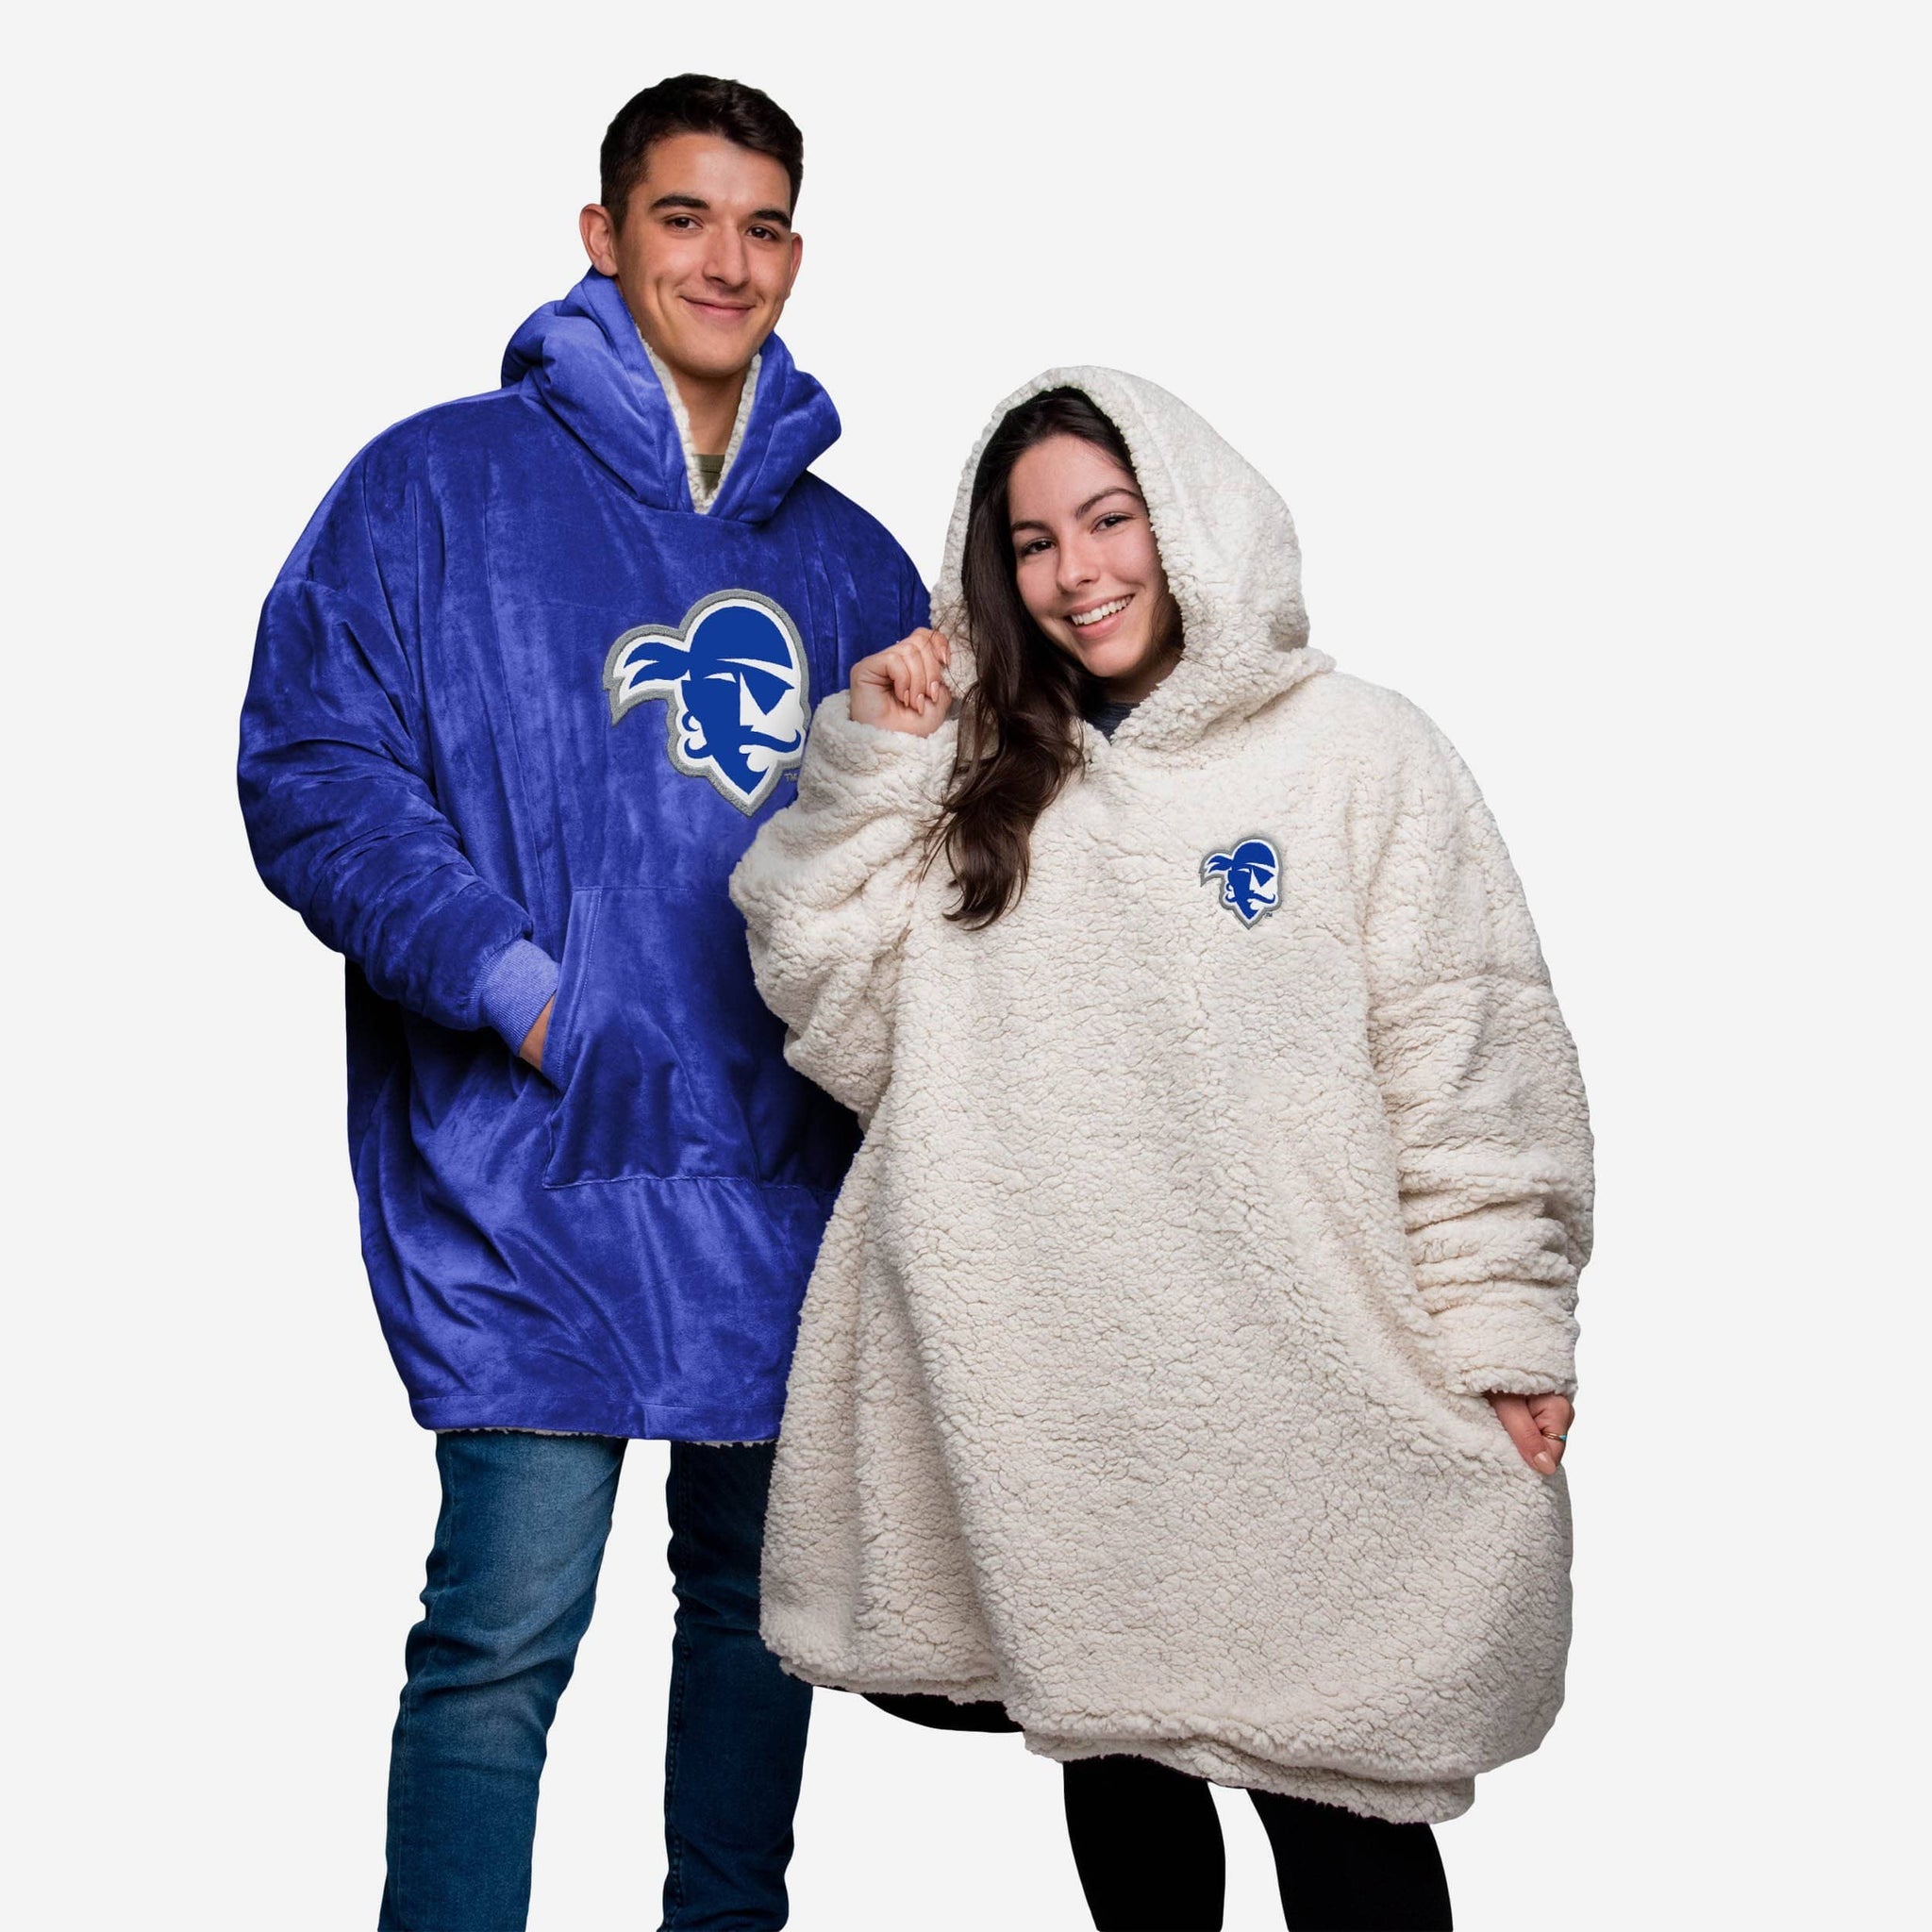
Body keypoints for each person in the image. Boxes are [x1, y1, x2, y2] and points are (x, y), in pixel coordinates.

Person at [729, 372, 1592, 1930]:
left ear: (1189, 517)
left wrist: (1508, 1324)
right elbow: (836, 1005)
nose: (1079, 572)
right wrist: (879, 759)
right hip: (1067, 1396)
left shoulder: (1360, 756)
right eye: (1034, 542)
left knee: (1345, 1795)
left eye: (1109, 520)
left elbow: (1468, 1062)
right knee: (1122, 1771)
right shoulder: (988, 776)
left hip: (1305, 1381)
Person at [238, 74, 928, 1932]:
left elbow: (933, 866)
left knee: (761, 1627)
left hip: (780, 1196)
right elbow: (314, 767)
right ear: (602, 235)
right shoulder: (433, 489)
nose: (726, 260)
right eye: (684, 217)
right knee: (500, 1640)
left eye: (762, 226)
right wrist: (520, 987)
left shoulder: (855, 562)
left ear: (798, 257)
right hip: (532, 1182)